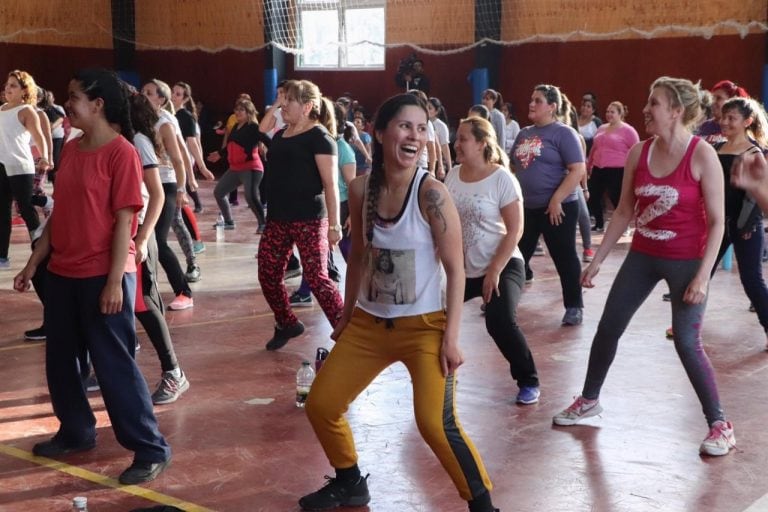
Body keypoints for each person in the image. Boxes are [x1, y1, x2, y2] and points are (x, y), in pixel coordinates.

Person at [300, 93, 498, 512]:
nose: (416, 136)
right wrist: (346, 313)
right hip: (369, 326)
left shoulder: (432, 195)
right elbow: (357, 257)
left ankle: (483, 505)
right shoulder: (360, 189)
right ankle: (349, 481)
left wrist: (451, 338)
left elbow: (457, 270)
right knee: (321, 404)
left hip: (425, 328)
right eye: (406, 126)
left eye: (422, 128)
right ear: (380, 131)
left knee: (435, 424)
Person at [552, 76, 735, 457]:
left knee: (686, 342)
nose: (647, 109)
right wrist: (597, 260)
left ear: (676, 111)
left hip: (687, 261)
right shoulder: (639, 152)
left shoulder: (702, 156)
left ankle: (720, 424)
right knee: (608, 327)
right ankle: (589, 399)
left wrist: (702, 276)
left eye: (654, 103)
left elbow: (718, 222)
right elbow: (623, 212)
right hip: (643, 255)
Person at [13, 68, 171, 483]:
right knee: (62, 363)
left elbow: (125, 224)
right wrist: (34, 263)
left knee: (114, 365)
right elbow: (61, 213)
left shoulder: (123, 153)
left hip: (104, 275)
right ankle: (77, 432)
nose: (68, 103)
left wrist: (116, 280)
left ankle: (149, 447)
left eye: (74, 96)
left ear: (98, 105)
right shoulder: (72, 149)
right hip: (63, 272)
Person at [447, 116, 540, 404]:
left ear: (481, 143)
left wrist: (494, 271)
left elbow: (516, 230)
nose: (456, 143)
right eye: (457, 138)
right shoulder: (452, 175)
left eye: (463, 138)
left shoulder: (502, 178)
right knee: (434, 316)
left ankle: (528, 380)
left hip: (503, 263)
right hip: (462, 268)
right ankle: (441, 371)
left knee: (499, 321)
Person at [257, 79, 344, 350]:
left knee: (317, 278)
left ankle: (347, 332)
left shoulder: (320, 138)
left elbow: (330, 184)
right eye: (282, 99)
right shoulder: (282, 134)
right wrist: (276, 107)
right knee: (268, 273)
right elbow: (262, 129)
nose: (283, 105)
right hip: (278, 218)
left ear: (307, 106)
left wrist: (335, 225)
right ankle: (286, 322)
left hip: (310, 219)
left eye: (288, 100)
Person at [511, 84, 586, 325]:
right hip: (527, 208)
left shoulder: (563, 133)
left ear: (552, 107)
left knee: (564, 256)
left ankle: (574, 306)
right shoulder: (524, 134)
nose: (532, 104)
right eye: (531, 99)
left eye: (538, 100)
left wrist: (556, 199)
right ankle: (503, 301)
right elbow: (513, 165)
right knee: (517, 255)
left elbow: (578, 169)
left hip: (558, 208)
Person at [710, 97, 768, 349]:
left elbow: (761, 196)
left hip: (745, 225)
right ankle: (686, 322)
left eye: (731, 118)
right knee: (698, 273)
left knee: (751, 279)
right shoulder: (714, 148)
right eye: (723, 117)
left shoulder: (754, 154)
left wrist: (747, 225)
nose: (724, 122)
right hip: (716, 225)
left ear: (747, 121)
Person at [0, 69, 51, 269]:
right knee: (2, 211)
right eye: (7, 84)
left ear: (24, 90)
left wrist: (45, 157)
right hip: (2, 165)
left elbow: (39, 138)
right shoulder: (2, 108)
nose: (8, 88)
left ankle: (41, 251)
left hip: (21, 166)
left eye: (13, 85)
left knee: (26, 208)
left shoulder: (27, 111)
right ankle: (2, 256)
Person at [208, 99, 270, 233]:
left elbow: (268, 141)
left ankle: (263, 224)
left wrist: (277, 154)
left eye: (242, 109)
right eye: (236, 109)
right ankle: (229, 221)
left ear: (249, 112)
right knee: (219, 192)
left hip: (251, 168)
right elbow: (231, 145)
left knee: (250, 196)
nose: (237, 112)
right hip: (235, 168)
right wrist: (219, 154)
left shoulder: (254, 127)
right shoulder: (236, 127)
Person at [586, 101, 640, 232]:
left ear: (620, 114)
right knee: (593, 196)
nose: (609, 114)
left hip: (618, 169)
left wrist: (636, 169)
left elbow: (636, 150)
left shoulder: (628, 130)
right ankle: (599, 224)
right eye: (607, 111)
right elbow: (595, 147)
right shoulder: (602, 128)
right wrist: (589, 164)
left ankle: (624, 224)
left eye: (612, 112)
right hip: (599, 167)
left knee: (616, 197)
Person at [697, 80, 749, 145]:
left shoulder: (741, 128)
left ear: (732, 102)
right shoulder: (704, 126)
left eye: (718, 98)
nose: (713, 102)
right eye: (712, 98)